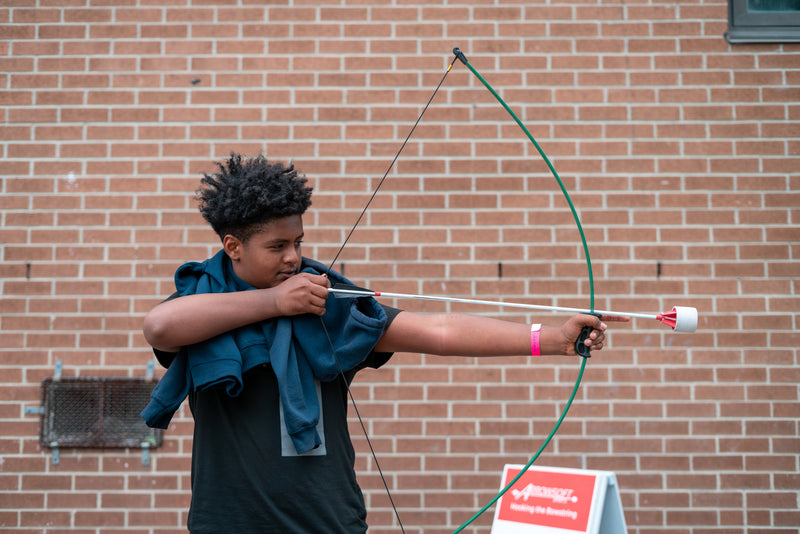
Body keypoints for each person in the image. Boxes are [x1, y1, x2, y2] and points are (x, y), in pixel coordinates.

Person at [141, 153, 626, 533]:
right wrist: (274, 304)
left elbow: (437, 331)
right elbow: (160, 328)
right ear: (233, 247)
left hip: (328, 521)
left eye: (299, 243)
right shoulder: (201, 304)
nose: (294, 258)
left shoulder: (326, 305)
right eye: (277, 247)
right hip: (227, 524)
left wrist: (551, 339)